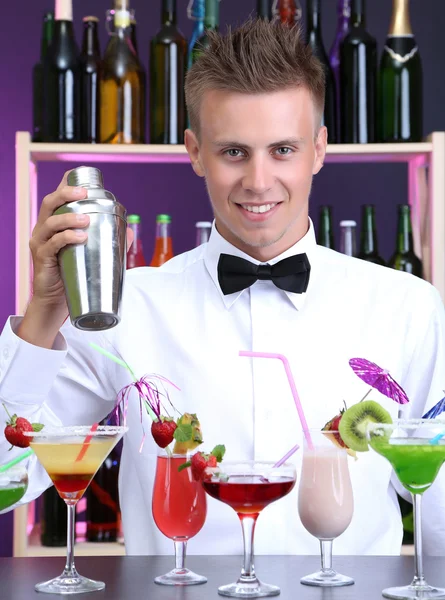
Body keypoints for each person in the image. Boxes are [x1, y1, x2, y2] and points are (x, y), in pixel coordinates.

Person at [1, 18, 445, 557]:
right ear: (194, 152)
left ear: (319, 149)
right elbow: (10, 480)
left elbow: (439, 515)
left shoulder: (406, 306)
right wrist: (43, 314)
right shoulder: (128, 306)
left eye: (283, 150)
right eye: (234, 152)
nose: (259, 181)